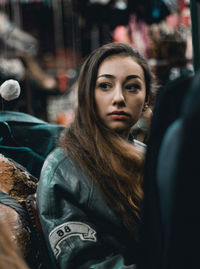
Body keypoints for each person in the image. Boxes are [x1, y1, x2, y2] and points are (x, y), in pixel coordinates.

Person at [36, 42, 154, 269]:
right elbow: (84, 263)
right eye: (105, 86)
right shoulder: (62, 169)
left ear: (147, 99)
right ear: (87, 95)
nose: (119, 98)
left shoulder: (150, 156)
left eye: (131, 87)